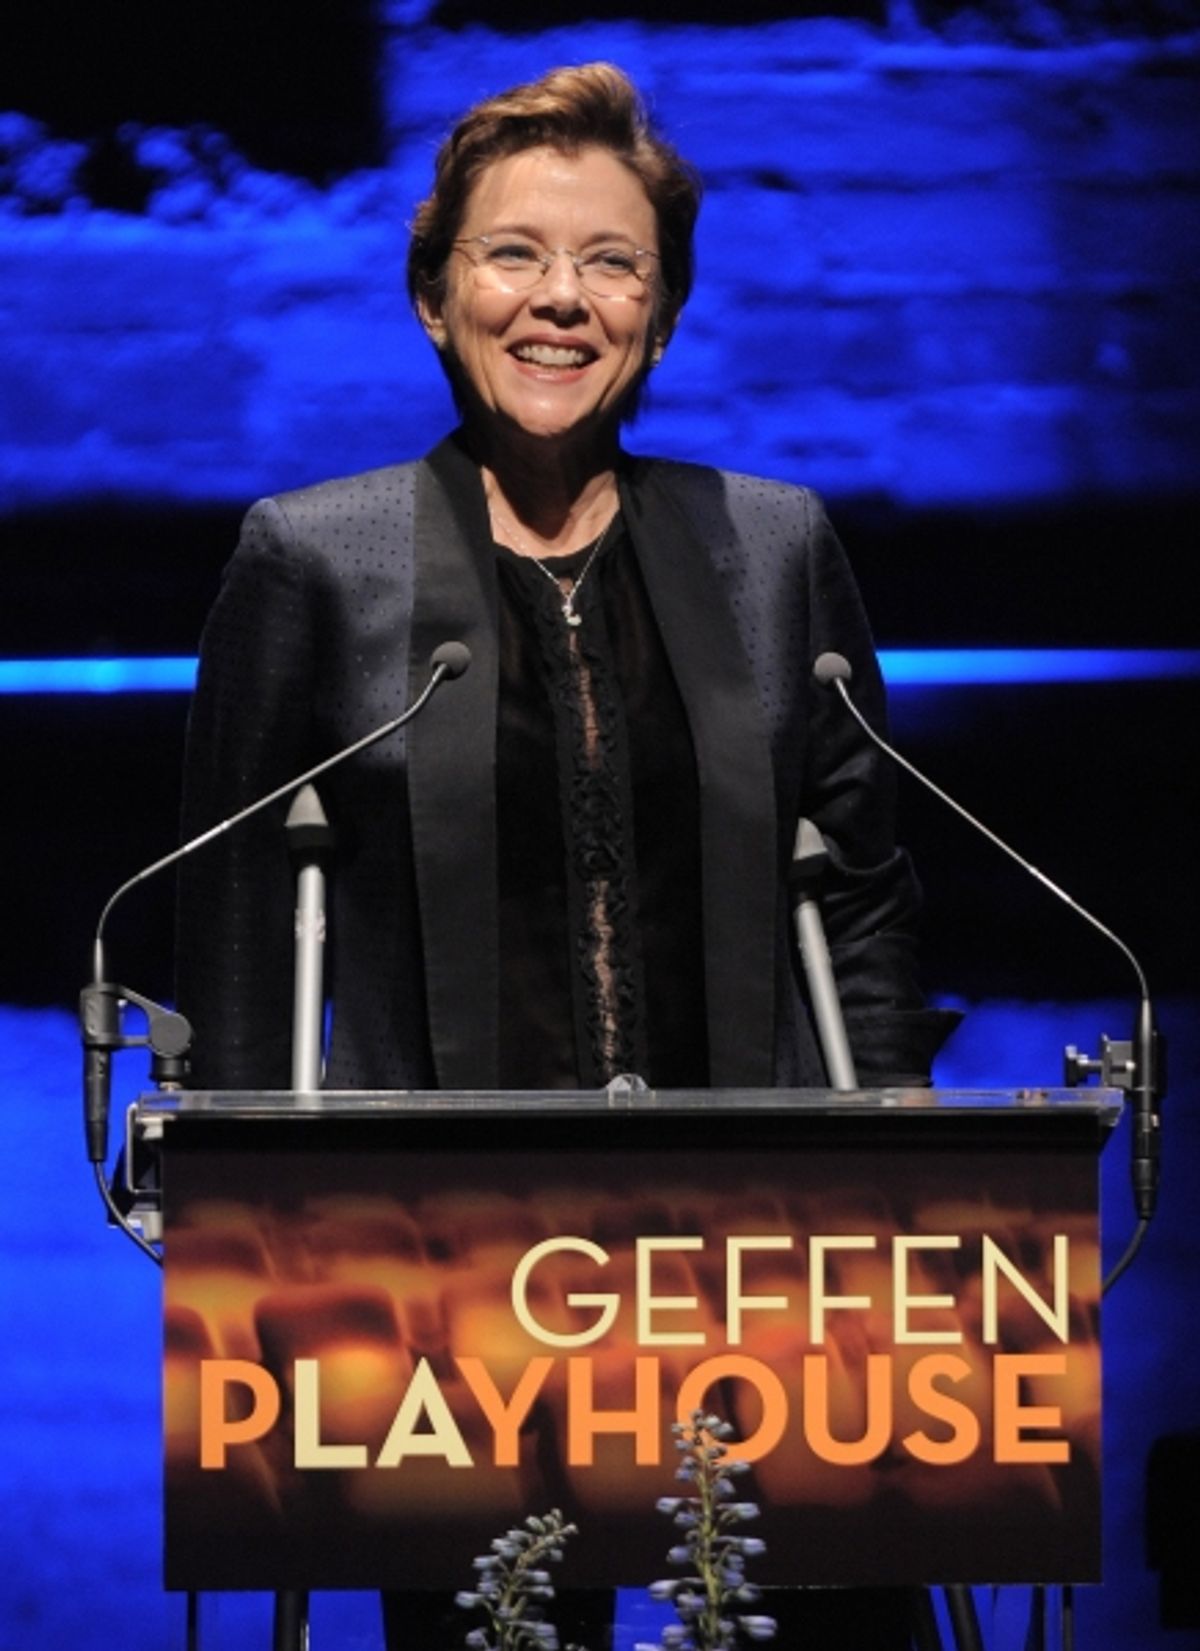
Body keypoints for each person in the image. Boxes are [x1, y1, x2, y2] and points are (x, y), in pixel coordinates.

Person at [176, 61, 957, 1651]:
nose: (560, 300)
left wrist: (906, 1153)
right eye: (512, 254)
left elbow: (860, 877)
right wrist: (246, 1212)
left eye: (612, 263)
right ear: (432, 296)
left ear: (661, 319)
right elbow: (246, 906)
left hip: (756, 1243)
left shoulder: (777, 544)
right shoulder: (318, 558)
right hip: (447, 1270)